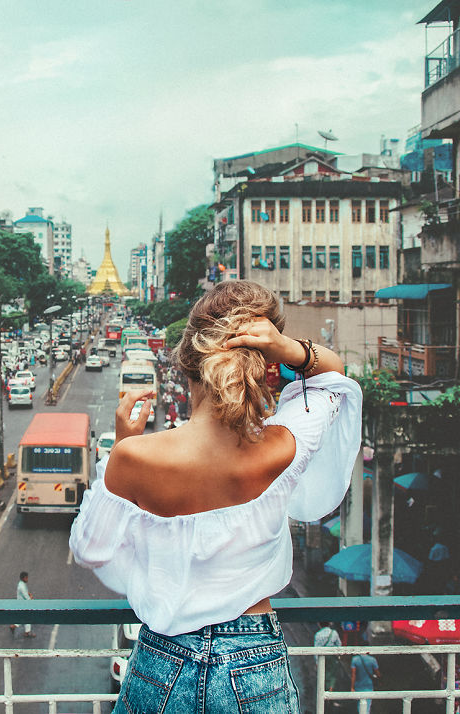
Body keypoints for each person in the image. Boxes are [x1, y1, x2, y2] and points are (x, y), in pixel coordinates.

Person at [69, 281, 361, 713]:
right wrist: (289, 349)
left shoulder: (135, 457)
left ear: (187, 364)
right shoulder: (286, 445)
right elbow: (334, 379)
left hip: (161, 663)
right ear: (265, 367)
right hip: (255, 662)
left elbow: (89, 548)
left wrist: (119, 450)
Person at [315, 622, 343, 693]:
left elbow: (316, 649)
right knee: (332, 674)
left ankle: (324, 691)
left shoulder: (318, 634)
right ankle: (331, 690)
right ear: (329, 624)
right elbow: (339, 645)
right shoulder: (334, 633)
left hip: (322, 656)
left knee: (323, 674)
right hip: (332, 656)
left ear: (320, 624)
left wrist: (317, 661)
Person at [10, 571, 36, 638]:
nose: (27, 579)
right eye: (27, 578)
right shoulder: (22, 587)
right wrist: (31, 598)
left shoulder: (21, 584)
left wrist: (29, 593)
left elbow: (26, 592)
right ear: (24, 578)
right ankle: (25, 631)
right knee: (26, 618)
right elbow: (26, 597)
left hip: (22, 604)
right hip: (23, 605)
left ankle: (26, 632)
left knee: (25, 618)